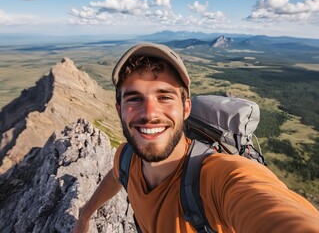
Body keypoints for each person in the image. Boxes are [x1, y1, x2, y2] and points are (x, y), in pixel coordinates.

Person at [73, 42, 319, 233]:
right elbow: (116, 175)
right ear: (119, 110)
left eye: (165, 96)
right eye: (134, 98)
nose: (149, 113)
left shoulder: (218, 177)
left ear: (186, 108)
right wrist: (86, 213)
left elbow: (271, 206)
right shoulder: (126, 157)